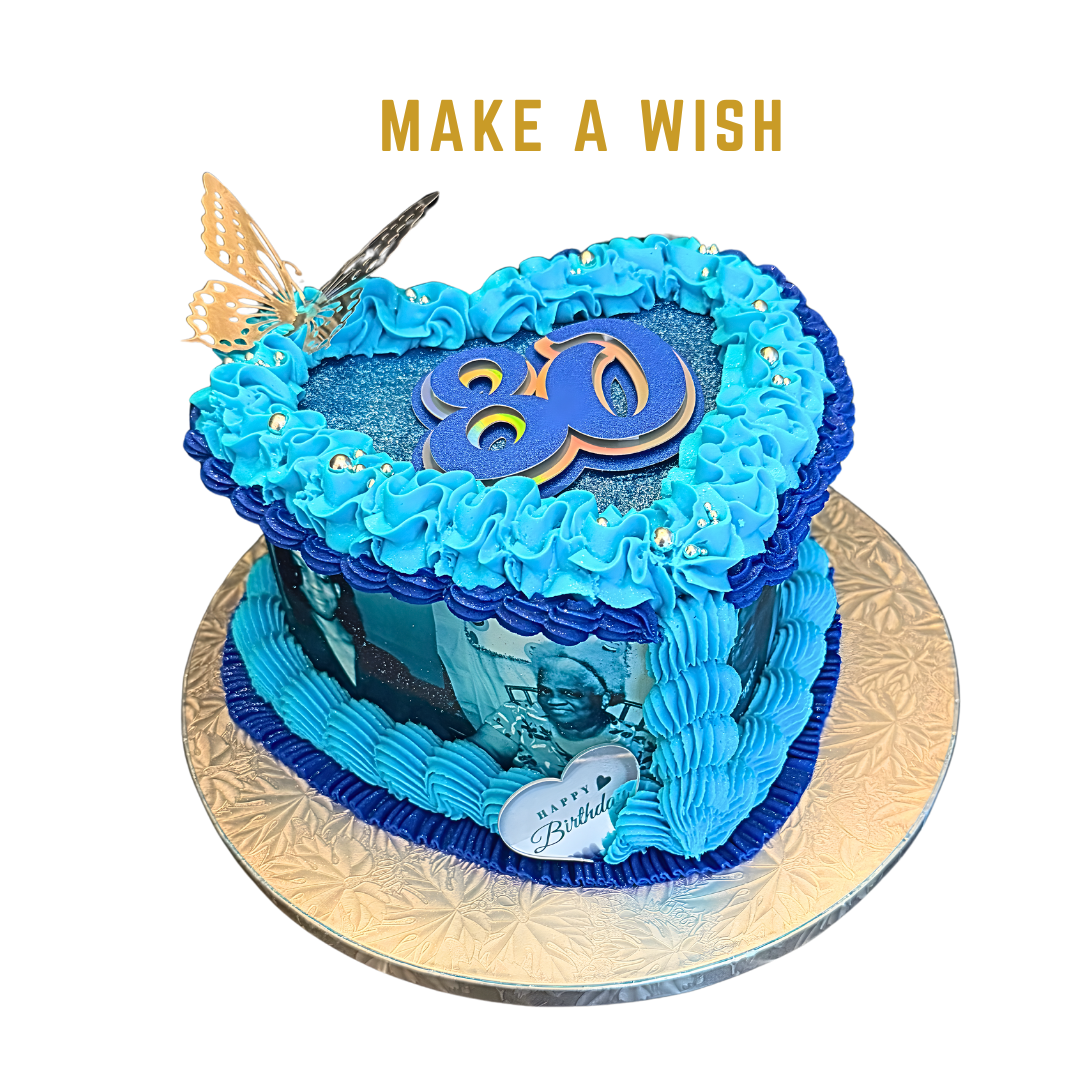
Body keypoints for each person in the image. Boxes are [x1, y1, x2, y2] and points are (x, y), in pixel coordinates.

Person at [468, 639, 656, 779]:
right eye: (545, 690)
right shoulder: (518, 718)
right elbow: (470, 764)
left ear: (604, 697)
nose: (554, 701)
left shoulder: (638, 745)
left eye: (571, 693)